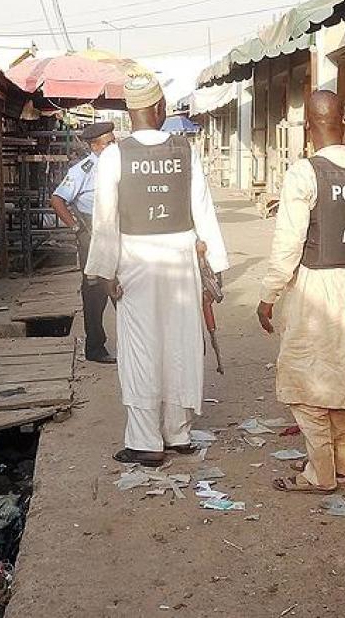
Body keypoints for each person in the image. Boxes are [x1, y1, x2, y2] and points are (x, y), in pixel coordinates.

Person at [85, 74, 229, 467]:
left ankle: (146, 441)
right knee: (180, 343)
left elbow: (105, 220)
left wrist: (105, 271)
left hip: (135, 261)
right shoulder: (185, 149)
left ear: (131, 113)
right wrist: (214, 262)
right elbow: (204, 210)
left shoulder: (114, 154)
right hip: (180, 258)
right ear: (161, 108)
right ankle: (178, 434)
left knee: (141, 349)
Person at [257, 90, 345, 493]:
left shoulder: (305, 172)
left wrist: (269, 295)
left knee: (308, 382)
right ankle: (340, 461)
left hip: (319, 287)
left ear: (308, 127)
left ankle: (320, 474)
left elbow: (288, 244)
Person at [51, 121, 118, 364]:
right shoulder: (84, 169)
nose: (114, 145)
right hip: (93, 232)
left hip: (117, 231)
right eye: (109, 142)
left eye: (114, 141)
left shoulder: (120, 164)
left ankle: (135, 347)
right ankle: (95, 348)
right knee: (95, 293)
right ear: (95, 146)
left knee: (125, 289)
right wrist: (77, 228)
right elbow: (57, 199)